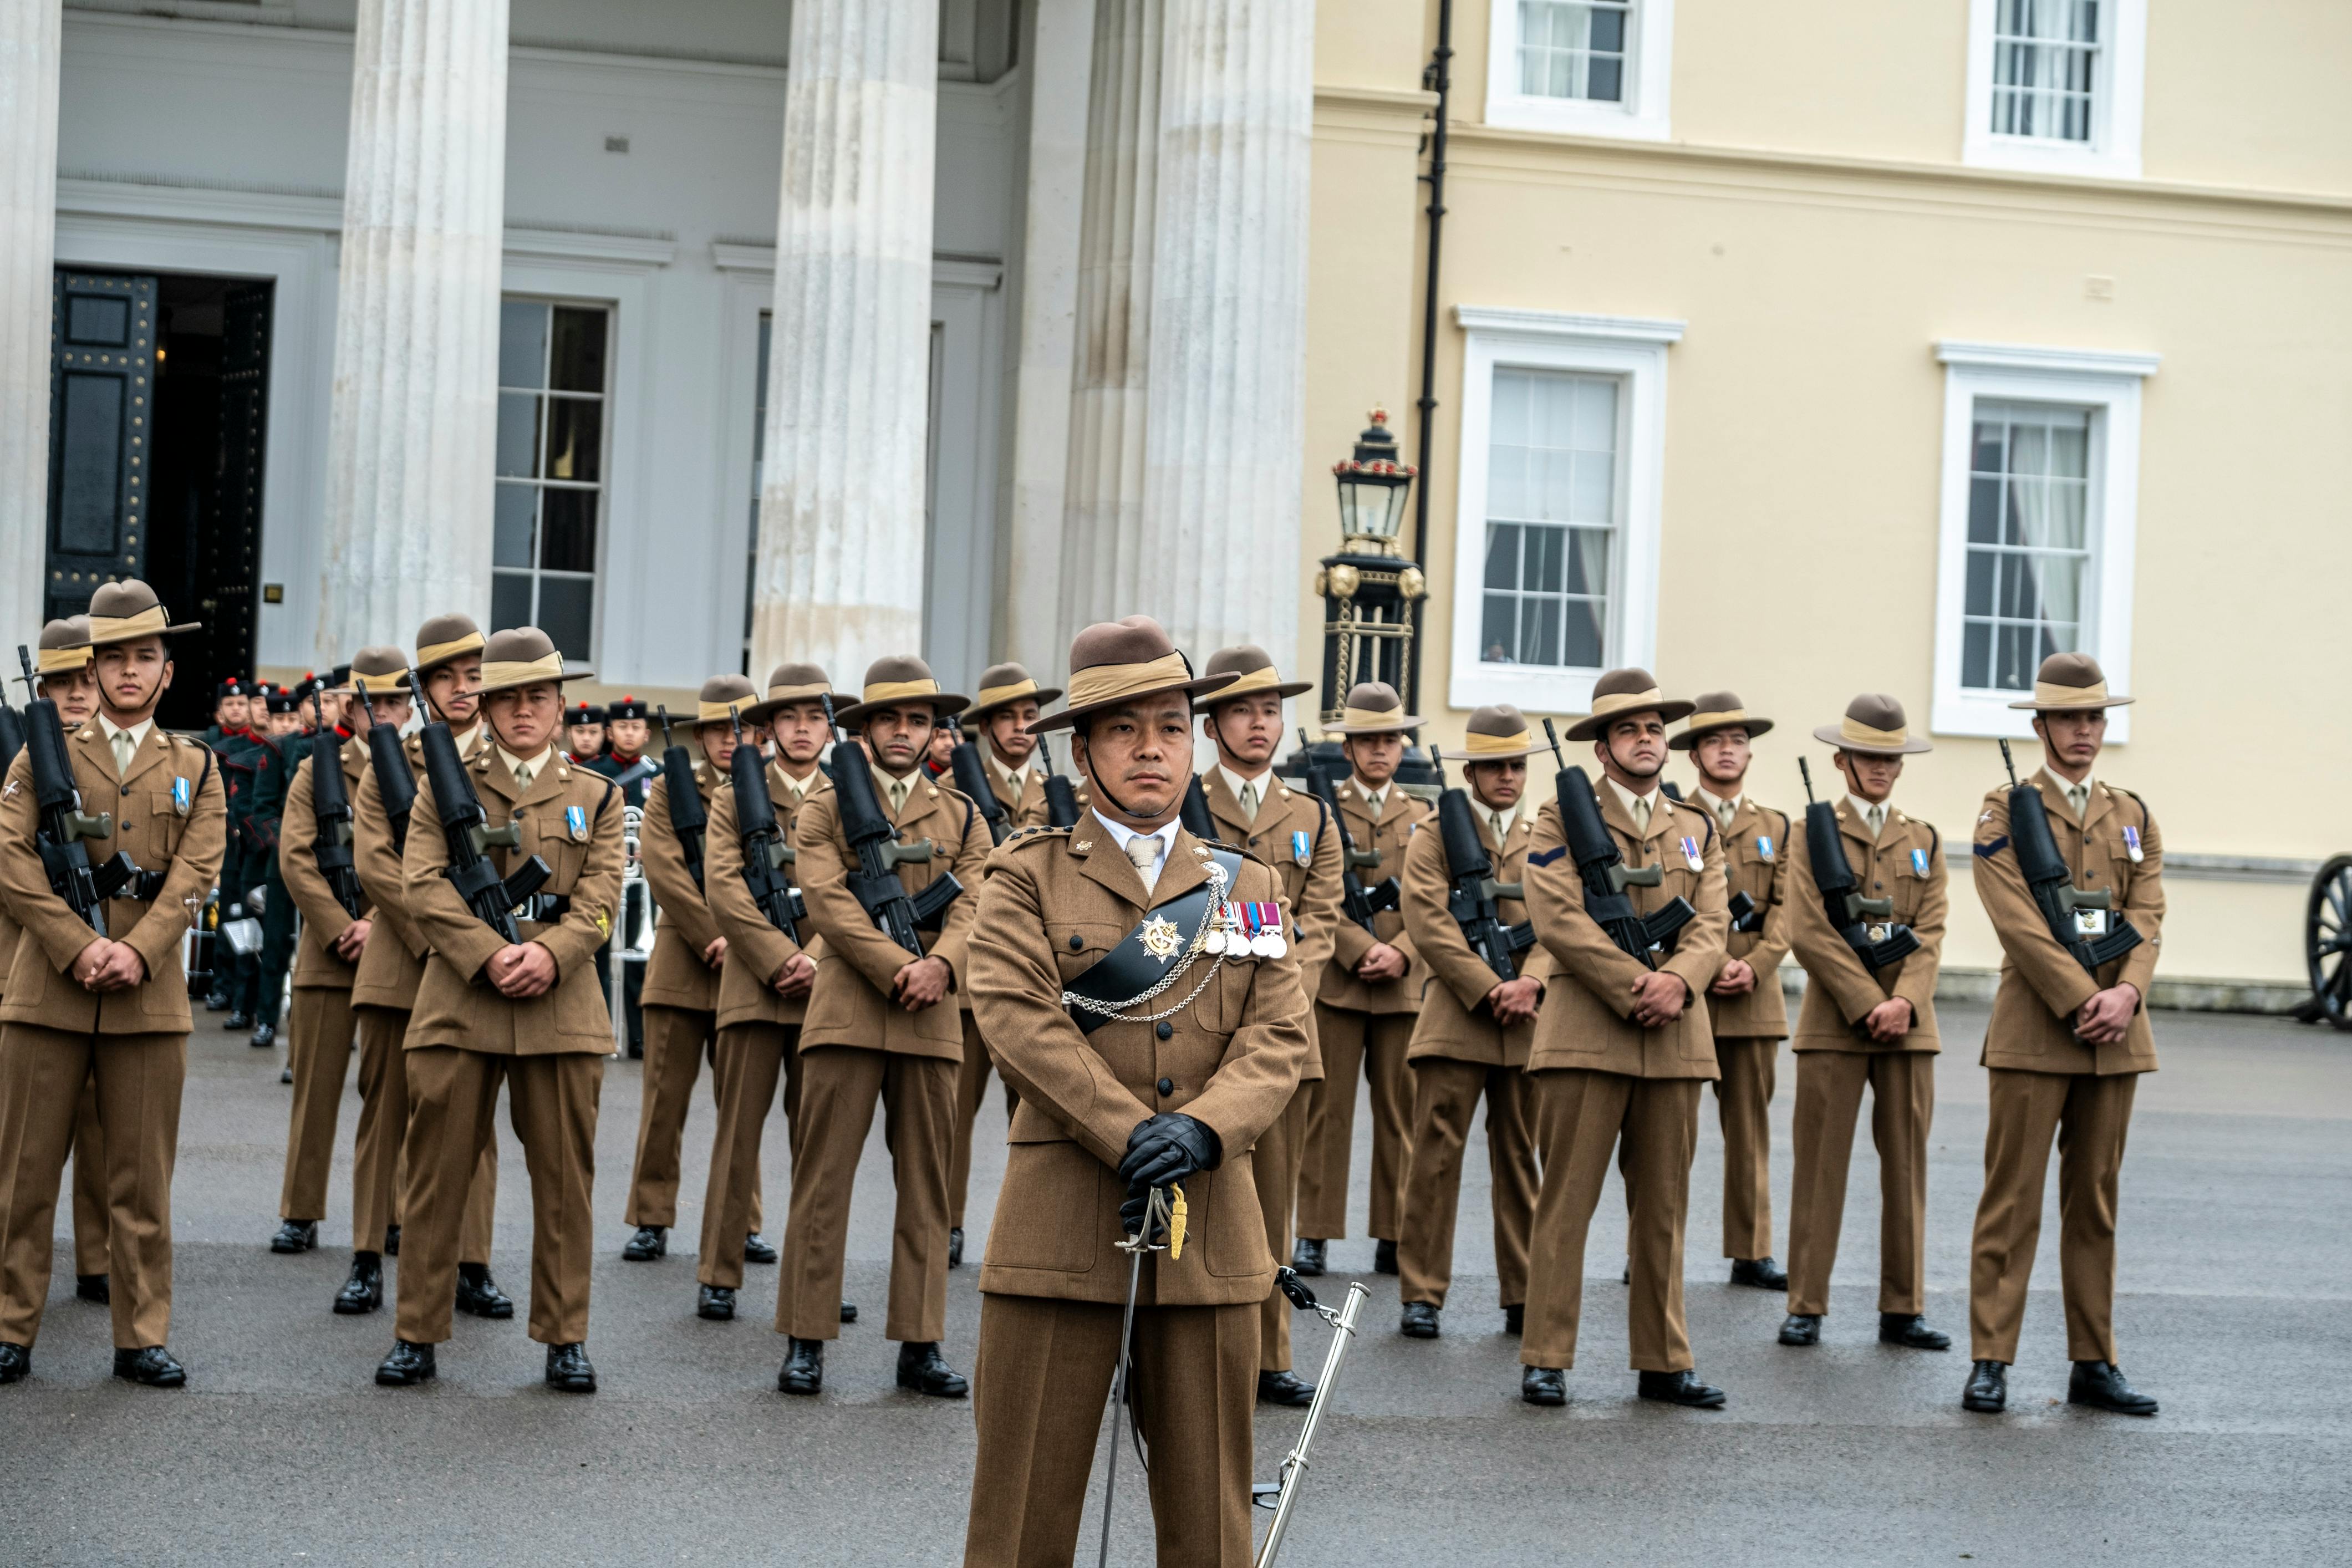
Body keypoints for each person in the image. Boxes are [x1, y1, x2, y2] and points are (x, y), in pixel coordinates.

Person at [960, 616, 1310, 1566]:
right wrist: (1128, 1131)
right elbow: (1017, 1021)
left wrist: (1201, 1129)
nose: (1150, 747)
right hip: (1060, 1230)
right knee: (1021, 1521)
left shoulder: (1245, 882)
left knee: (1209, 1530)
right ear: (1084, 750)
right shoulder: (1021, 875)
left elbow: (1280, 1033)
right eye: (1123, 729)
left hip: (1210, 1232)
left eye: (1167, 724)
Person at [374, 626, 620, 1393]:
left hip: (563, 1003)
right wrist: (490, 954)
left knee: (564, 1185)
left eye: (536, 698)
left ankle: (564, 1336)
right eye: (506, 698)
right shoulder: (443, 787)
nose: (522, 712)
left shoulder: (597, 795)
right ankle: (417, 1330)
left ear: (560, 706)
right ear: (484, 706)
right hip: (461, 999)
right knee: (436, 1178)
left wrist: (550, 953)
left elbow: (603, 895)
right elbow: (421, 884)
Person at [0, 580, 226, 1388]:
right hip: (50, 994)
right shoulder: (42, 755)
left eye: (145, 657)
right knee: (23, 1175)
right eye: (113, 659)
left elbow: (198, 872)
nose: (129, 672)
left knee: (140, 1183)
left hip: (147, 999)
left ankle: (141, 1337)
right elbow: (12, 859)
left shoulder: (196, 766)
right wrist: (75, 944)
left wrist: (139, 950)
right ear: (89, 670)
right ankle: (9, 1328)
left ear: (167, 672)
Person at [775, 656, 989, 1398]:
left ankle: (920, 1341)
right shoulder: (826, 808)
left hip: (934, 1014)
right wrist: (892, 963)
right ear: (864, 730)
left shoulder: (962, 813)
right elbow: (826, 901)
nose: (905, 732)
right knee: (823, 1182)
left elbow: (978, 904)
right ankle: (806, 1337)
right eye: (891, 719)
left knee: (927, 1186)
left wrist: (941, 968)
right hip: (848, 1009)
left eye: (919, 720)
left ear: (935, 733)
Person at [1516, 668, 1730, 1409]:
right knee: (1566, 1203)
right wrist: (1632, 983)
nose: (1646, 740)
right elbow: (1555, 916)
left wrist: (1680, 980)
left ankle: (1664, 1359)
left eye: (1654, 729)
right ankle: (1545, 1353)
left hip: (1677, 1037)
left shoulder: (1696, 827)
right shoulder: (1558, 819)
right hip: (1588, 1033)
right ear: (1602, 749)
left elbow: (1711, 920)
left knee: (1664, 1210)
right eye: (1629, 730)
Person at [1963, 653, 2163, 1418]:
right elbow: (2013, 917)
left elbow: (2147, 914)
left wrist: (2125, 995)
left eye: (2094, 717)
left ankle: (2094, 1360)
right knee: (2009, 1201)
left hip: (2116, 1034)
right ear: (2041, 726)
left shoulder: (2131, 814)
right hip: (2034, 1031)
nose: (2084, 730)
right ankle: (1990, 1359)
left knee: (2095, 1204)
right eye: (2069, 718)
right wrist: (2083, 995)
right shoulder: (2003, 809)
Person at [338, 617, 505, 1319]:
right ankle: (367, 1255)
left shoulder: (511, 758)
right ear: (425, 689)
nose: (463, 689)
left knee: (476, 1118)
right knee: (386, 1111)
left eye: (475, 675)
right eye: (447, 677)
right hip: (404, 958)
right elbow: (377, 861)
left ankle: (471, 1260)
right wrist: (438, 938)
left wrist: (473, 946)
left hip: (481, 963)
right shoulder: (390, 758)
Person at [1192, 643, 1342, 1406]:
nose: (1260, 724)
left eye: (1270, 710)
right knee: (1184, 1200)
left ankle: (1268, 1355)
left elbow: (1321, 922)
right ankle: (1163, 1347)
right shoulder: (1183, 803)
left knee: (1271, 1202)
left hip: (1280, 1035)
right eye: (1244, 710)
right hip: (1191, 1028)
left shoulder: (1312, 815)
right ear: (1212, 724)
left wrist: (1272, 981)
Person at [1778, 694, 1951, 1352]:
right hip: (1836, 1021)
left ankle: (1903, 1306)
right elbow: (1806, 928)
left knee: (1906, 1166)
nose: (1881, 767)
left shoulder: (1923, 838)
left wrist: (1904, 999)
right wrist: (1865, 999)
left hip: (1911, 1025)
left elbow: (1930, 929)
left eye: (1891, 757)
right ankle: (1807, 1303)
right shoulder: (1808, 833)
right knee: (1820, 1165)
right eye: (1869, 756)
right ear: (1842, 760)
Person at [697, 663, 854, 1325]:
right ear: (768, 728)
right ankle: (718, 1271)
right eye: (787, 718)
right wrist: (777, 955)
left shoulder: (853, 794)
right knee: (738, 1134)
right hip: (755, 985)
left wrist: (816, 955)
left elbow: (854, 888)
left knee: (820, 1147)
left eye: (814, 717)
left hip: (827, 985)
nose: (801, 729)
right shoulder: (738, 793)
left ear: (828, 725)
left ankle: (813, 1281)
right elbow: (723, 885)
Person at [1394, 704, 1545, 1342]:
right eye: (1494, 766)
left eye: (1516, 765)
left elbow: (1569, 915)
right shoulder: (1435, 834)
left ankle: (1524, 1289)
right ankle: (1422, 1291)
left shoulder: (1546, 834)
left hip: (1530, 1016)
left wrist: (1532, 978)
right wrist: (1490, 986)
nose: (1507, 776)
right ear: (1473, 771)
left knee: (1521, 1159)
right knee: (1434, 1158)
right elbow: (1426, 918)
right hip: (1458, 1014)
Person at [620, 675, 769, 1265]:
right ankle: (652, 1217)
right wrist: (716, 933)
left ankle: (744, 1220)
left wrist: (746, 940)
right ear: (701, 734)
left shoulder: (773, 789)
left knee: (744, 1105)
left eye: (743, 728)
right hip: (686, 962)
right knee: (664, 1101)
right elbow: (661, 865)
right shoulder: (669, 788)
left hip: (750, 966)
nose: (730, 739)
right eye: (716, 728)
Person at [269, 654, 407, 1256]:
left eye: (396, 702)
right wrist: (340, 926)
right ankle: (301, 1210)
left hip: (398, 945)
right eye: (371, 702)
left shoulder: (429, 771)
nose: (385, 713)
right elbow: (295, 857)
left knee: (394, 1091)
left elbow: (426, 860)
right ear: (351, 709)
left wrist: (377, 922)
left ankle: (394, 1209)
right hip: (330, 952)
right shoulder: (315, 769)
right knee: (315, 1087)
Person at [1295, 680, 1428, 1277]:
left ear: (1402, 748)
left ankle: (1395, 1231)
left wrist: (1399, 949)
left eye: (1390, 740)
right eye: (1368, 740)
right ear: (1347, 749)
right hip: (1341, 984)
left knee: (1402, 1114)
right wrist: (1358, 948)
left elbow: (1436, 899)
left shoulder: (1425, 816)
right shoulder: (1322, 812)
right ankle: (1315, 1232)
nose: (1380, 750)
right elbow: (1315, 896)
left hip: (1403, 983)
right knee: (1328, 1112)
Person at [0, 619, 113, 1309]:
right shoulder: (17, 756)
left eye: (85, 680)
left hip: (109, 960)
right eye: (62, 683)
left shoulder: (127, 760)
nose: (77, 694)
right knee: (27, 1141)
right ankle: (15, 1292)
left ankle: (98, 1260)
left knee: (104, 1128)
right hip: (26, 958)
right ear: (42, 689)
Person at [943, 661, 1065, 1269]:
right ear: (986, 725)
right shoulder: (958, 790)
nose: (1022, 726)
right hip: (972, 972)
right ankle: (948, 1222)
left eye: (1029, 716)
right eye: (1009, 717)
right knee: (953, 1115)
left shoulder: (1064, 790)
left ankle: (1035, 1226)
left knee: (1038, 1111)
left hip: (1043, 974)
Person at [1671, 691, 1794, 1291]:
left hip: (1753, 995)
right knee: (1670, 1132)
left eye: (1738, 740)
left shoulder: (1776, 825)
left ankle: (1752, 1250)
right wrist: (1713, 961)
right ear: (1695, 753)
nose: (1728, 750)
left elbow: (1790, 910)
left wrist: (1758, 963)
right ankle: (1656, 1243)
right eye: (1716, 741)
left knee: (1749, 1129)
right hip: (1687, 994)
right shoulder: (1671, 818)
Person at [588, 695, 655, 1057]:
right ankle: (600, 1030)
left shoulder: (657, 773)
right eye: (622, 728)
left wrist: (653, 844)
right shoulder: (595, 770)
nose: (629, 734)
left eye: (636, 728)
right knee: (597, 955)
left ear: (646, 734)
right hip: (604, 877)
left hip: (642, 882)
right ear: (610, 733)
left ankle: (639, 1036)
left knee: (638, 962)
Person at [247, 682, 310, 1053]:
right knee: (275, 944)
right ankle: (268, 1020)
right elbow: (263, 806)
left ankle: (312, 1022)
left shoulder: (332, 749)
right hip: (284, 859)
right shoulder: (277, 749)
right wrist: (284, 842)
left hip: (324, 863)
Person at [563, 701, 608, 765]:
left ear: (603, 735)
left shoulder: (611, 770)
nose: (586, 738)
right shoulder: (560, 766)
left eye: (593, 732)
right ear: (569, 734)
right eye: (580, 731)